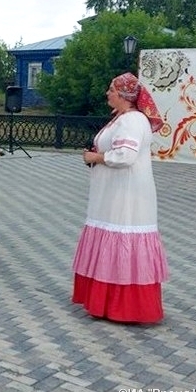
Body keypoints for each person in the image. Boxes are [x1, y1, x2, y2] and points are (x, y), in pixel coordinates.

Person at [73, 72, 169, 323]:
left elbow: (126, 155)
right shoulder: (122, 118)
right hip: (113, 192)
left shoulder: (133, 120)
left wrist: (97, 158)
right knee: (114, 234)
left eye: (111, 89)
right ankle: (107, 302)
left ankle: (124, 306)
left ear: (124, 95)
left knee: (122, 233)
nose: (107, 93)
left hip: (126, 194)